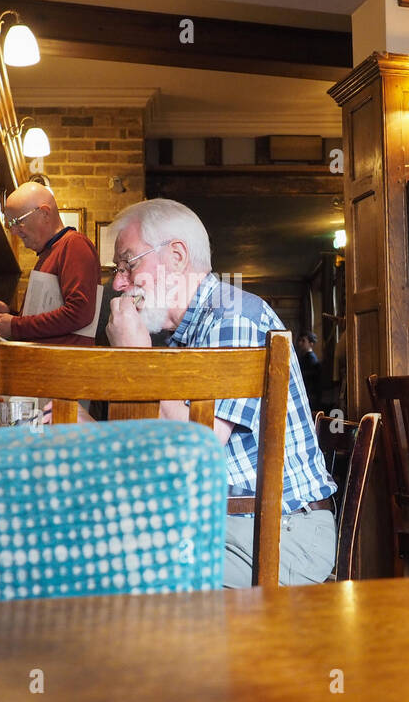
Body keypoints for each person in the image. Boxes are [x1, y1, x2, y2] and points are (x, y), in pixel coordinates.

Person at [105, 198, 337, 587]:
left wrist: (135, 357)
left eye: (128, 264)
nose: (118, 283)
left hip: (280, 537)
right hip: (230, 524)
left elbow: (198, 449)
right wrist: (88, 425)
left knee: (117, 571)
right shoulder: (184, 339)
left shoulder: (232, 317)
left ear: (176, 256)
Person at [0, 181, 101, 345]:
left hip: (64, 366)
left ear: (45, 213)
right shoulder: (50, 251)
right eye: (10, 224)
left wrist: (15, 325)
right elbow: (49, 321)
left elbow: (80, 313)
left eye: (17, 221)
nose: (14, 231)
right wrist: (12, 316)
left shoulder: (74, 244)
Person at [295, 329, 321, 412]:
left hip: (310, 395)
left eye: (303, 341)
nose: (300, 343)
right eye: (300, 340)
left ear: (311, 344)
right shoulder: (304, 357)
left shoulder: (311, 358)